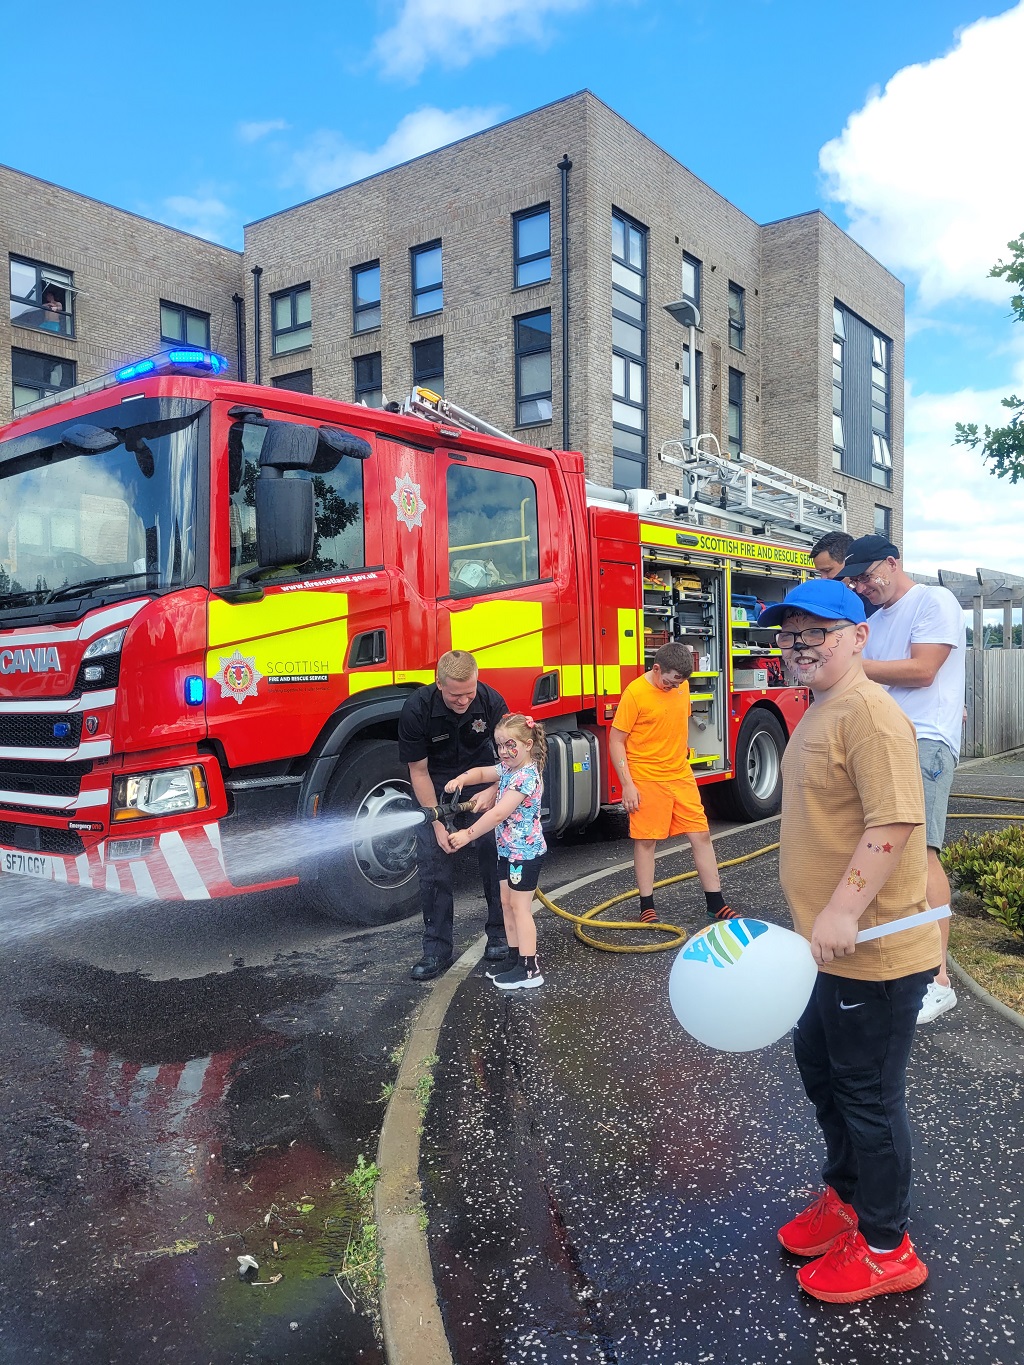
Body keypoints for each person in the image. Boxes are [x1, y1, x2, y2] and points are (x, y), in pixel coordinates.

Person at [759, 577, 939, 1303]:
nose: (800, 647)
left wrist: (841, 908)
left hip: (875, 952)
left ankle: (888, 1244)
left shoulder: (869, 713)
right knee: (822, 1072)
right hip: (826, 953)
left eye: (816, 634)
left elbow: (892, 822)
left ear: (859, 637)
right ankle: (848, 1198)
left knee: (868, 1094)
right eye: (790, 635)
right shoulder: (820, 709)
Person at [842, 534, 965, 1024]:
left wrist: (850, 667)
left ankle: (938, 980)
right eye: (854, 579)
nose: (862, 586)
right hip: (883, 740)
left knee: (922, 851)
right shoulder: (871, 622)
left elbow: (923, 669)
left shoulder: (935, 599)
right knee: (881, 852)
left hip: (925, 740)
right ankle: (898, 967)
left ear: (893, 563)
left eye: (868, 575)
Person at [398, 650, 509, 981]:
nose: (463, 701)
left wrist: (492, 793)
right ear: (438, 683)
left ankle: (501, 935)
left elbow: (513, 758)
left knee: (495, 857)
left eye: (469, 693)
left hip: (484, 783)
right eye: (455, 694)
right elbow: (417, 771)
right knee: (433, 868)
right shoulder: (417, 708)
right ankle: (436, 951)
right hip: (437, 785)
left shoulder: (492, 702)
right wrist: (436, 822)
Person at [609, 641, 737, 925]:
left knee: (701, 834)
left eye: (677, 684)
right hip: (646, 776)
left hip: (679, 773)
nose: (672, 687)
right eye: (667, 682)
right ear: (656, 669)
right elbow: (616, 741)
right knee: (646, 841)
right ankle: (647, 906)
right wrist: (627, 784)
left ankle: (716, 904)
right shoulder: (635, 693)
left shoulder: (681, 685)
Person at [445, 713, 548, 990]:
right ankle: (515, 958)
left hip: (524, 853)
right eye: (500, 745)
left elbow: (498, 813)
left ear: (527, 744)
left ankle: (529, 968)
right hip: (508, 851)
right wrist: (461, 780)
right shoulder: (508, 769)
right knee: (506, 904)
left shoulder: (525, 777)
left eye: (509, 745)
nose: (504, 751)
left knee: (520, 908)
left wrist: (467, 835)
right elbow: (482, 772)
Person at [809, 531, 877, 616]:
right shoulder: (826, 598)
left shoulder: (872, 598)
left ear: (848, 562)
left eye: (827, 570)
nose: (823, 577)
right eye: (820, 572)